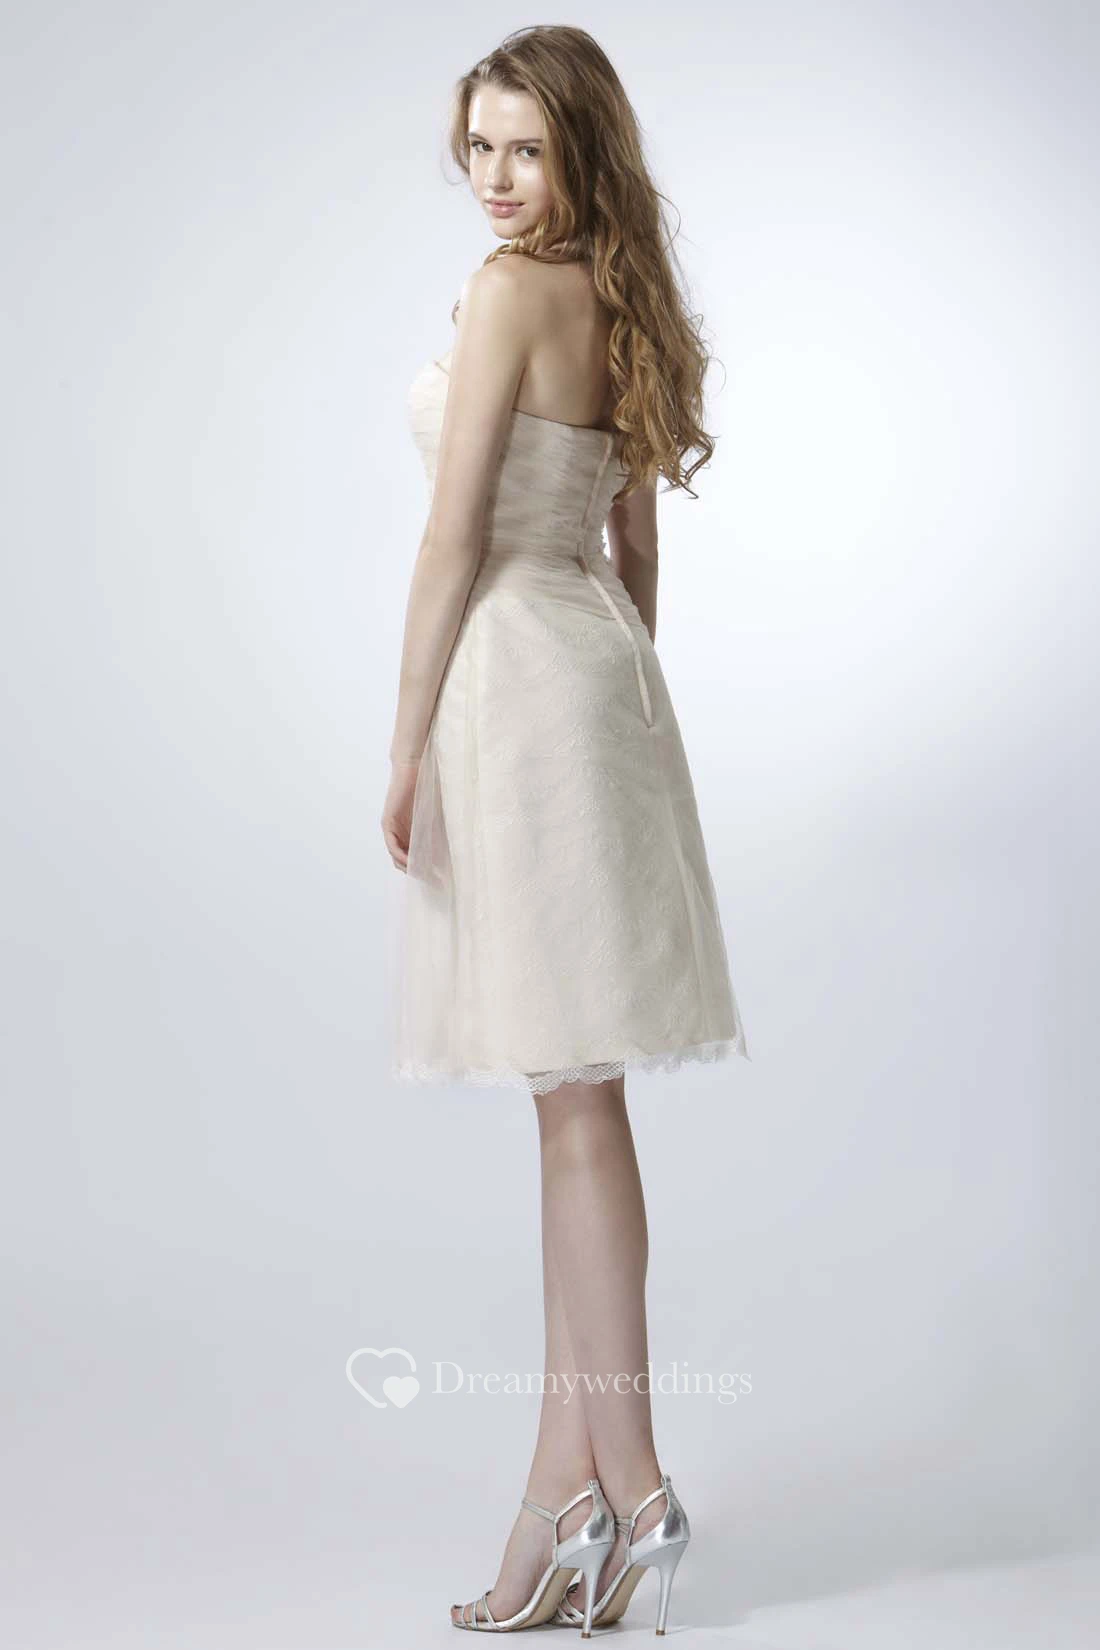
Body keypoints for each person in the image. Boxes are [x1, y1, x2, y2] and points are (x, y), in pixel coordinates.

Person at [380, 25, 749, 1636]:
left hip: (516, 685)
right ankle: (563, 1496)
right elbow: (636, 547)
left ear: (579, 148)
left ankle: (640, 1486)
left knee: (574, 1105)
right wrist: (620, 697)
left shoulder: (508, 294)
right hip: (599, 675)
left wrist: (404, 750)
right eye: (478, 146)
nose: (494, 177)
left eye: (524, 148)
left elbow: (452, 538)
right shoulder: (619, 293)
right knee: (574, 1103)